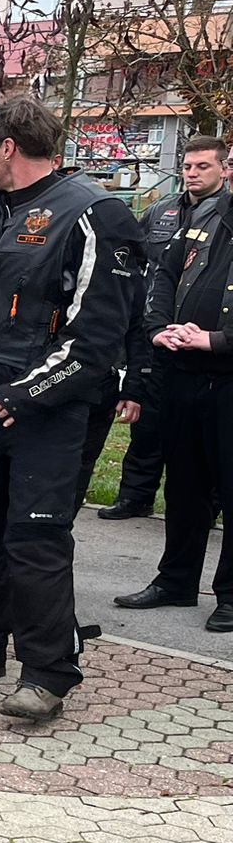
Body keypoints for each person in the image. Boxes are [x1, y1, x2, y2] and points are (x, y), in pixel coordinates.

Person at [0, 96, 146, 722]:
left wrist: (28, 394)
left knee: (35, 539)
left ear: (7, 147)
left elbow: (98, 335)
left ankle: (48, 672)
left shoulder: (94, 212)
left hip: (52, 410)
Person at [115, 139, 232, 630]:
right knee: (184, 486)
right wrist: (159, 327)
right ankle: (176, 581)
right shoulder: (205, 215)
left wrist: (218, 340)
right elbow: (163, 273)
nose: (192, 173)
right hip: (183, 370)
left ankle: (230, 595)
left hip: (227, 375)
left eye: (206, 165)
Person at [101, 137, 227, 519]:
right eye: (187, 166)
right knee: (147, 421)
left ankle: (208, 506)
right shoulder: (161, 210)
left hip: (203, 337)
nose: (192, 174)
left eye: (202, 166)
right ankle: (135, 496)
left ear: (223, 169)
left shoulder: (224, 215)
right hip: (154, 329)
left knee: (202, 435)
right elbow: (139, 262)